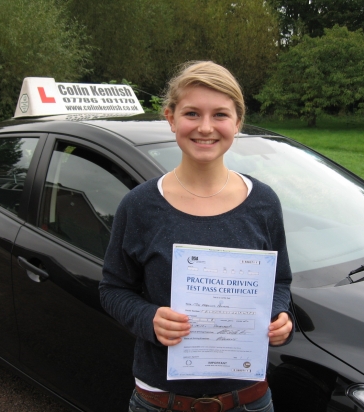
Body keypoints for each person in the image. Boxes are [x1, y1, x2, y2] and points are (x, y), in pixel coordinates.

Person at [99, 61, 294, 412]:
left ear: (237, 122)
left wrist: (280, 317)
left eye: (220, 114)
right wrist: (149, 318)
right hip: (161, 401)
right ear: (171, 118)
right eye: (192, 113)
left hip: (247, 400)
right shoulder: (140, 205)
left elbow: (279, 281)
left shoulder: (263, 202)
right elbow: (112, 289)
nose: (205, 127)